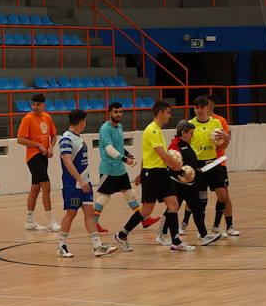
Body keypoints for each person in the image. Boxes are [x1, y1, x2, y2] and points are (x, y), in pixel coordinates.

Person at [114, 100, 194, 253]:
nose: (170, 116)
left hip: (161, 172)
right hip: (153, 175)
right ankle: (122, 235)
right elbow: (162, 155)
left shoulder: (158, 129)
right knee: (146, 211)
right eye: (168, 113)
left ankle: (176, 241)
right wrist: (179, 168)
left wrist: (140, 172)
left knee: (173, 205)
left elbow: (147, 155)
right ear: (161, 112)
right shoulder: (152, 130)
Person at [57, 109, 114, 258]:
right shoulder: (66, 139)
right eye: (85, 120)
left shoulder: (78, 138)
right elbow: (67, 161)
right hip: (72, 184)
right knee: (71, 213)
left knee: (89, 213)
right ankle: (61, 246)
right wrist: (80, 180)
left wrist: (85, 180)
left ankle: (97, 246)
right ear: (82, 121)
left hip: (84, 184)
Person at [93, 101, 158, 234]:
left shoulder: (120, 127)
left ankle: (144, 219)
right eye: (116, 112)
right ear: (109, 113)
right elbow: (109, 149)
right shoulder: (105, 128)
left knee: (130, 194)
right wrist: (125, 159)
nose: (119, 114)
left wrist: (127, 153)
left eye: (120, 112)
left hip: (119, 169)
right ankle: (93, 223)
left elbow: (118, 146)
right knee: (104, 197)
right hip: (108, 169)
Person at [162, 120, 220, 247]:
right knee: (172, 209)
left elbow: (190, 162)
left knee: (197, 209)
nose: (193, 136)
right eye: (191, 133)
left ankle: (204, 236)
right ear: (183, 132)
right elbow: (172, 165)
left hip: (190, 184)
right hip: (178, 184)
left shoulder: (186, 144)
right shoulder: (175, 146)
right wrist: (182, 174)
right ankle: (161, 234)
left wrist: (203, 163)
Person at [188, 95, 237, 237]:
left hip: (213, 163)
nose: (199, 110)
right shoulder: (190, 124)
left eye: (202, 107)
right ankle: (201, 231)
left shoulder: (216, 123)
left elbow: (224, 145)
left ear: (207, 108)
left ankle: (216, 226)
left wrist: (225, 139)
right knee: (201, 200)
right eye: (196, 108)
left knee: (222, 195)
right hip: (198, 166)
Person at [16, 93, 60, 232]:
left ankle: (29, 221)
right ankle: (50, 221)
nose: (35, 107)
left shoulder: (48, 117)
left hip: (44, 156)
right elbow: (20, 139)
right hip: (33, 157)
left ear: (43, 105)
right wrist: (38, 145)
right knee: (46, 186)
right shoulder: (27, 119)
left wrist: (50, 147)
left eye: (38, 104)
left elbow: (53, 136)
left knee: (35, 188)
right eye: (33, 104)